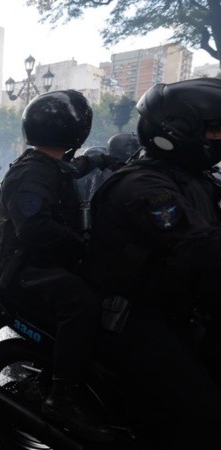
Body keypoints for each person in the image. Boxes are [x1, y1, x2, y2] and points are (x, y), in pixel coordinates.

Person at [85, 79, 221, 448]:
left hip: (183, 306)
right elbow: (197, 243)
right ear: (179, 130)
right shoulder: (145, 188)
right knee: (202, 417)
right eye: (213, 130)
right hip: (136, 316)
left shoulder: (195, 178)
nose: (217, 138)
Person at [0, 90, 118, 442]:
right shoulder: (34, 173)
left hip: (40, 264)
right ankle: (63, 393)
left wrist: (105, 161)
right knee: (82, 302)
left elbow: (76, 168)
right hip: (25, 270)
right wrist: (83, 246)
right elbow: (34, 229)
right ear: (77, 130)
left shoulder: (49, 164)